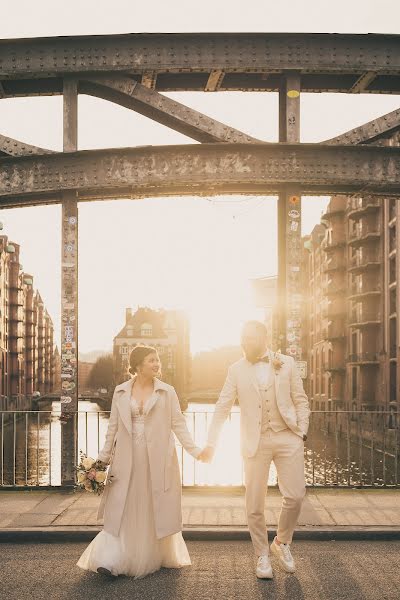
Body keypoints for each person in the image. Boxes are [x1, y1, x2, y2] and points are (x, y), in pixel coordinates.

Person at [77, 345, 203, 579]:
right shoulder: (121, 391)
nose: (157, 364)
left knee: (152, 504)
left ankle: (153, 554)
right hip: (127, 458)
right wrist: (101, 462)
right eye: (151, 360)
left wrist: (195, 451)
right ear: (137, 365)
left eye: (157, 360)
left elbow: (179, 425)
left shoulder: (167, 391)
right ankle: (111, 559)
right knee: (122, 507)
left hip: (157, 459)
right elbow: (112, 428)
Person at [199, 321, 310, 580]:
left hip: (287, 436)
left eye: (251, 338)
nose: (247, 342)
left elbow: (300, 400)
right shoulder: (235, 369)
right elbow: (222, 406)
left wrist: (301, 430)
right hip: (255, 442)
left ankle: (282, 542)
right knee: (254, 503)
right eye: (244, 338)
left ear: (265, 338)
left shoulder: (287, 363)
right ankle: (262, 554)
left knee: (295, 496)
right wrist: (212, 443)